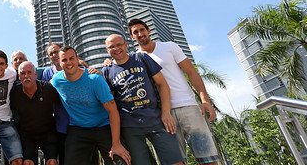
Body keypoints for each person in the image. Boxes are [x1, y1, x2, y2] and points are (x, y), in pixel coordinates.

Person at [129, 18, 220, 164]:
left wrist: (204, 100)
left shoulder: (169, 47)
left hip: (188, 107)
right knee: (174, 162)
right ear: (132, 37)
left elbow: (192, 73)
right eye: (135, 32)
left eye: (142, 30)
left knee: (208, 159)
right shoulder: (135, 59)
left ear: (148, 31)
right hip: (163, 115)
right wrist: (108, 62)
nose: (140, 34)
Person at [100, 34, 184, 165]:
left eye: (119, 45)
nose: (116, 48)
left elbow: (162, 85)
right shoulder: (107, 71)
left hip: (156, 119)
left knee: (176, 162)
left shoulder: (141, 58)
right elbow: (110, 104)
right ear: (107, 50)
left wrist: (166, 112)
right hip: (130, 126)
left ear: (126, 44)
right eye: (111, 47)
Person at [50, 46, 131, 165]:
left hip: (104, 126)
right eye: (64, 60)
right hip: (78, 128)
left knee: (121, 161)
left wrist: (116, 144)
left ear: (78, 59)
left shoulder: (95, 79)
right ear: (59, 62)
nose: (68, 63)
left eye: (71, 58)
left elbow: (113, 111)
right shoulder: (57, 80)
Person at [9, 61, 59, 165]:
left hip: (48, 133)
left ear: (35, 75)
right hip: (27, 135)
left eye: (29, 72)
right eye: (22, 73)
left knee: (52, 162)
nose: (26, 76)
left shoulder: (48, 89)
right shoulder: (14, 92)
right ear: (19, 76)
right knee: (27, 163)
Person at [40, 43, 69, 163]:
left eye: (56, 51)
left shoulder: (74, 66)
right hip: (61, 120)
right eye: (50, 54)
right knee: (63, 155)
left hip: (79, 120)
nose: (54, 55)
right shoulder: (47, 72)